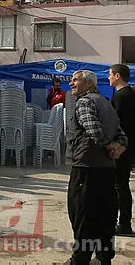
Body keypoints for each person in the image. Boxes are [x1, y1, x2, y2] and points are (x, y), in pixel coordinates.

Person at [66, 70, 128, 264]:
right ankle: (103, 258)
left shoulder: (84, 102)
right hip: (107, 169)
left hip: (86, 167)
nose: (71, 83)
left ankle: (80, 259)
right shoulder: (106, 103)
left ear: (89, 84)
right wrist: (118, 148)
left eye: (75, 80)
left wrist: (110, 147)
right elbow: (121, 134)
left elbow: (94, 131)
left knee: (82, 215)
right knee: (105, 216)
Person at [109, 63, 135, 235]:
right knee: (123, 185)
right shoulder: (131, 94)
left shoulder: (121, 96)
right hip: (130, 146)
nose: (108, 78)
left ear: (117, 76)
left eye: (110, 75)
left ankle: (124, 224)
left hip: (122, 147)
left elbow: (116, 123)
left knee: (120, 186)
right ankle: (124, 222)